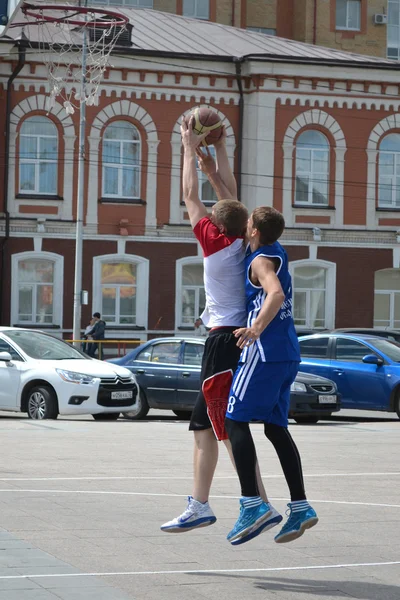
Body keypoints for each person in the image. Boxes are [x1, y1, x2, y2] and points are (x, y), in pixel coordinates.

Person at [161, 118, 272, 534]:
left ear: (217, 225)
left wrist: (188, 148)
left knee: (225, 427)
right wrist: (218, 160)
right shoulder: (244, 240)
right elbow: (231, 199)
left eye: (212, 216)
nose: (204, 215)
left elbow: (188, 195)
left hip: (222, 341)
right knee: (203, 427)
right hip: (229, 339)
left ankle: (257, 503)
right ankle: (200, 504)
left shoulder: (213, 241)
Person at [224, 207, 318, 545]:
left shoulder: (261, 261)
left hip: (262, 354)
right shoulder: (278, 250)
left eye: (247, 223)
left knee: (233, 421)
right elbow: (236, 212)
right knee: (275, 428)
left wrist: (255, 328)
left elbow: (275, 293)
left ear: (253, 230)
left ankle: (252, 504)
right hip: (288, 353)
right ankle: (300, 505)